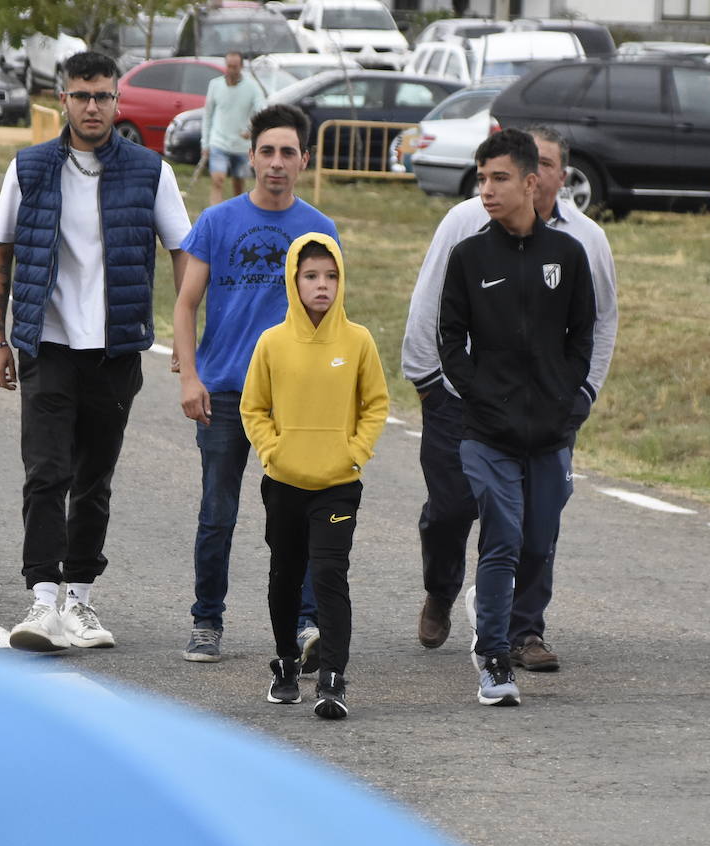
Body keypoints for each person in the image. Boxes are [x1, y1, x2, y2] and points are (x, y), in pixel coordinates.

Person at [0, 51, 192, 652]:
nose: (92, 106)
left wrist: (184, 338)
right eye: (81, 96)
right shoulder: (28, 169)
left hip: (114, 351)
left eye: (102, 95)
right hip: (46, 346)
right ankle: (42, 600)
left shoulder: (150, 172)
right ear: (64, 99)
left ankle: (81, 600)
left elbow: (183, 252)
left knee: (93, 479)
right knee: (46, 473)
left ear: (117, 101)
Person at [401, 125, 617, 672]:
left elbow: (595, 324)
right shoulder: (465, 229)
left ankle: (522, 632)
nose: (491, 187)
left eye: (544, 165)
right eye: (484, 177)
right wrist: (432, 384)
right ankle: (443, 588)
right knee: (451, 511)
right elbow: (434, 313)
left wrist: (581, 393)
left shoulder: (582, 242)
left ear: (549, 177)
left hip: (546, 413)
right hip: (459, 402)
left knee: (532, 527)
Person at [172, 103, 339, 663]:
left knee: (299, 515)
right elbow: (186, 303)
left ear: (304, 160)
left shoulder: (320, 229)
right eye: (266, 151)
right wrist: (190, 376)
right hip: (222, 391)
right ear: (251, 157)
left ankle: (306, 625)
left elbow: (331, 313)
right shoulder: (218, 222)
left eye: (288, 152)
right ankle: (206, 620)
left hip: (293, 399)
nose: (276, 162)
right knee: (217, 513)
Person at [437, 128, 595, 706]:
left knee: (537, 541)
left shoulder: (568, 255)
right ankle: (493, 658)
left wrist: (566, 393)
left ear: (532, 183)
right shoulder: (470, 256)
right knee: (502, 535)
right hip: (487, 432)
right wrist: (479, 394)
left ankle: (503, 617)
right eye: (481, 179)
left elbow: (584, 335)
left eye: (498, 178)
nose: (486, 190)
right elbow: (450, 339)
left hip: (550, 432)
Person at [240, 233, 388, 718]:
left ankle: (333, 680)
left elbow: (376, 404)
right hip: (283, 482)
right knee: (285, 576)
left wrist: (354, 451)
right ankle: (285, 664)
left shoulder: (358, 341)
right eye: (311, 276)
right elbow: (253, 407)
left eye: (330, 276)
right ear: (294, 281)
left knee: (329, 575)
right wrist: (273, 450)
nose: (322, 285)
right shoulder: (272, 342)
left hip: (337, 485)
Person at [200, 52, 266, 208]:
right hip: (219, 142)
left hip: (241, 146)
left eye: (235, 67)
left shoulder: (251, 87)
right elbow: (208, 115)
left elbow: (261, 109)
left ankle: (239, 214)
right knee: (218, 179)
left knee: (239, 186)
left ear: (241, 67)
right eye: (229, 66)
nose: (231, 70)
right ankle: (215, 214)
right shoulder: (215, 85)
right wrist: (205, 143)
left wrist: (252, 129)